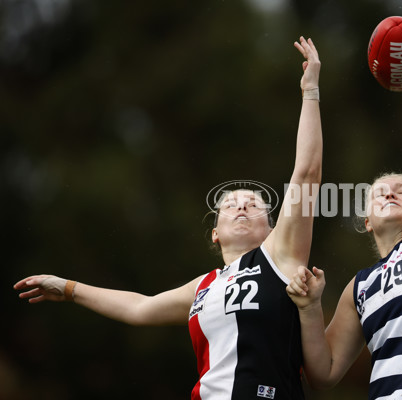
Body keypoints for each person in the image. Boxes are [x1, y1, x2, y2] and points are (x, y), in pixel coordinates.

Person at [14, 36, 322, 400]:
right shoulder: (203, 287)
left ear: (273, 228)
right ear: (215, 234)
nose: (241, 206)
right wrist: (68, 289)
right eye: (230, 204)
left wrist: (311, 91)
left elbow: (306, 174)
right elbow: (140, 307)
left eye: (254, 204)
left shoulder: (280, 256)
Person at [286, 6, 402, 400]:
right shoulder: (361, 287)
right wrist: (309, 309)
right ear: (367, 221)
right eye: (378, 192)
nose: (388, 191)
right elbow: (325, 372)